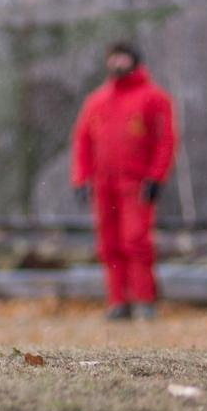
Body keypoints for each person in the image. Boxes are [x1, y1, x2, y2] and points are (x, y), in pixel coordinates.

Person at [71, 40, 178, 320]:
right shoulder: (96, 100)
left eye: (123, 58)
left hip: (136, 184)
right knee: (109, 244)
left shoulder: (153, 98)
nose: (117, 64)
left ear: (134, 61)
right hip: (103, 184)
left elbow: (165, 141)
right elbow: (82, 141)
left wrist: (156, 177)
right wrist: (81, 179)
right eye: (113, 58)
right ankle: (118, 302)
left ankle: (144, 300)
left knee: (136, 241)